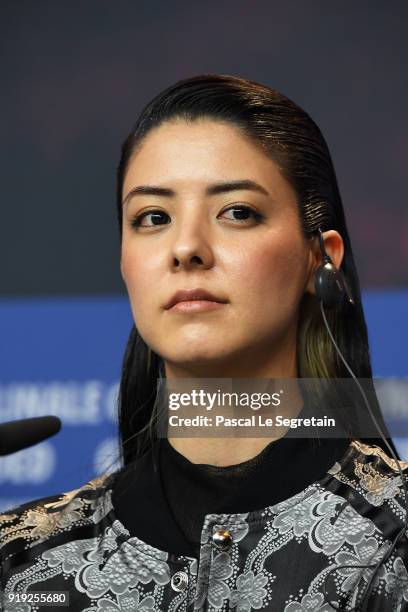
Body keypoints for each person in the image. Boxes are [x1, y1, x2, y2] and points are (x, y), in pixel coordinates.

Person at [1, 74, 407, 612]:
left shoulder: (393, 538)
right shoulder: (22, 558)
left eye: (237, 211)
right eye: (153, 218)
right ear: (125, 261)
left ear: (320, 257)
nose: (187, 247)